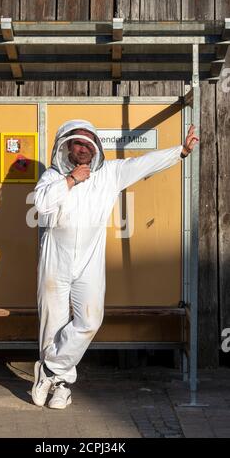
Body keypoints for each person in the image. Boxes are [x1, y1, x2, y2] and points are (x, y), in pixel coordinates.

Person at [32, 119, 199, 409]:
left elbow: (144, 164)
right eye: (78, 143)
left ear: (95, 147)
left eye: (88, 143)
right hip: (54, 258)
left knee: (89, 320)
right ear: (67, 146)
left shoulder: (110, 174)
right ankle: (62, 385)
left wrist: (181, 152)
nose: (83, 148)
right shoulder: (52, 176)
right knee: (53, 324)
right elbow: (41, 204)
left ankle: (48, 369)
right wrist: (71, 180)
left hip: (89, 260)